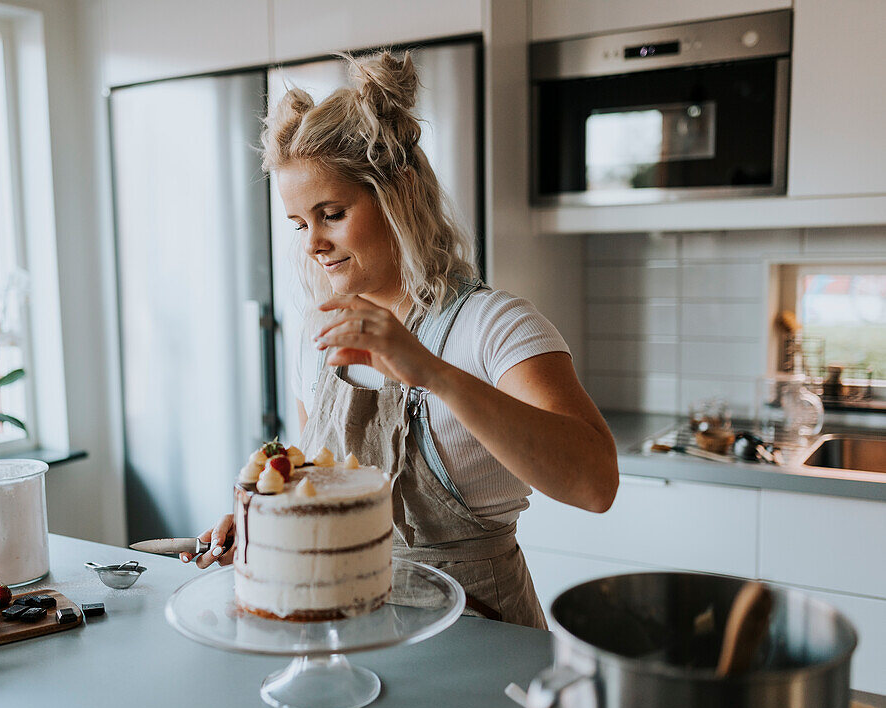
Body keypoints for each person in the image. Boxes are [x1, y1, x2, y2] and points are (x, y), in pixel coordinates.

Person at [181, 51, 618, 628]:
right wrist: (270, 506)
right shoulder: (322, 333)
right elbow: (330, 475)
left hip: (482, 640)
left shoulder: (494, 325)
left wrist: (429, 369)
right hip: (359, 634)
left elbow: (595, 484)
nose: (312, 242)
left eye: (331, 213)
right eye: (298, 224)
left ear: (400, 193)